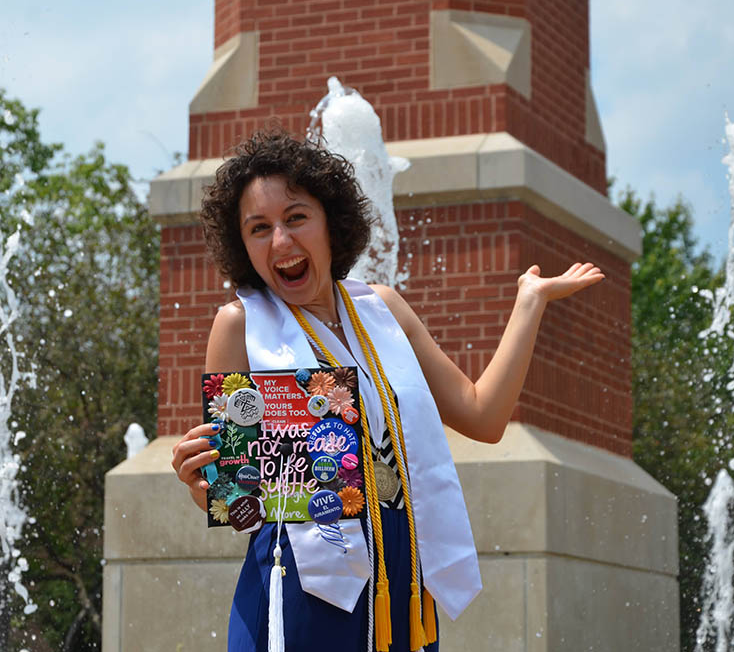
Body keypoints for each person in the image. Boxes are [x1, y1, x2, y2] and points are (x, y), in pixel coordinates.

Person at [170, 130, 604, 652]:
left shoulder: (384, 309)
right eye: (259, 228)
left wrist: (529, 303)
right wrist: (205, 487)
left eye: (296, 217)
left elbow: (483, 417)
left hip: (400, 570)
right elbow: (241, 497)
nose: (281, 242)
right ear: (243, 246)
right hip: (307, 583)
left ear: (332, 222)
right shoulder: (240, 326)